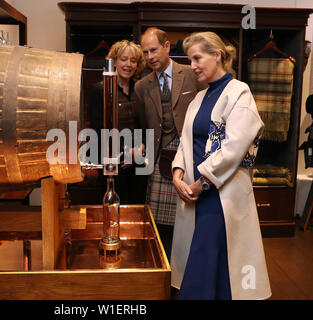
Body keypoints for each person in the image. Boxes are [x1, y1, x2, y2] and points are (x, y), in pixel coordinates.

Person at [171, 31, 271, 300]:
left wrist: (201, 183)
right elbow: (185, 141)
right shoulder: (198, 98)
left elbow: (234, 148)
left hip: (220, 197)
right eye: (190, 59)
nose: (192, 66)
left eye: (197, 58)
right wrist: (177, 174)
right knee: (204, 263)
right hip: (196, 194)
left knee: (211, 266)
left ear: (217, 56)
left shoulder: (239, 92)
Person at [135, 27, 205, 256]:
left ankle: (185, 271)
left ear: (167, 47)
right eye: (145, 53)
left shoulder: (192, 73)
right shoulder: (141, 86)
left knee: (187, 217)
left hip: (189, 153)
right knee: (159, 222)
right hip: (159, 156)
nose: (150, 57)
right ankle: (163, 270)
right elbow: (145, 124)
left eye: (154, 50)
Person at [90, 40, 147, 204]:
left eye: (133, 60)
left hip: (138, 162)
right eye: (124, 59)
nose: (128, 64)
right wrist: (124, 153)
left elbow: (145, 125)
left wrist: (142, 146)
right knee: (115, 207)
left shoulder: (141, 89)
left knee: (137, 207)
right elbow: (97, 132)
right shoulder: (100, 90)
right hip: (113, 164)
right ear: (114, 61)